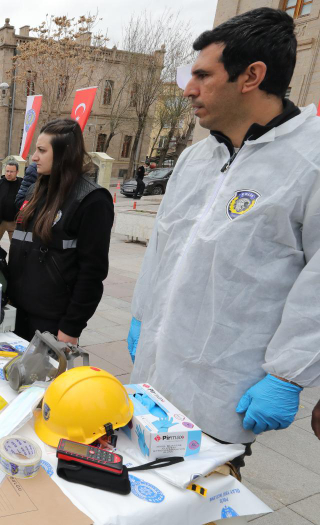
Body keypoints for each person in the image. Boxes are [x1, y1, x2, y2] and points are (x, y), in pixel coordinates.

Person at [126, 8, 320, 474]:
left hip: (223, 393)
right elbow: (163, 251)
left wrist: (288, 374)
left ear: (252, 75)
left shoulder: (308, 160)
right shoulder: (196, 159)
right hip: (152, 382)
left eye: (202, 75)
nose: (188, 89)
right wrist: (139, 316)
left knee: (194, 507)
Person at [8, 120, 113, 342]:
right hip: (17, 314)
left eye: (42, 151)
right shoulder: (36, 191)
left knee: (45, 378)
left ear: (64, 154)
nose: (34, 157)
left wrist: (71, 327)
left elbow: (92, 273)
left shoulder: (91, 200)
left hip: (51, 324)